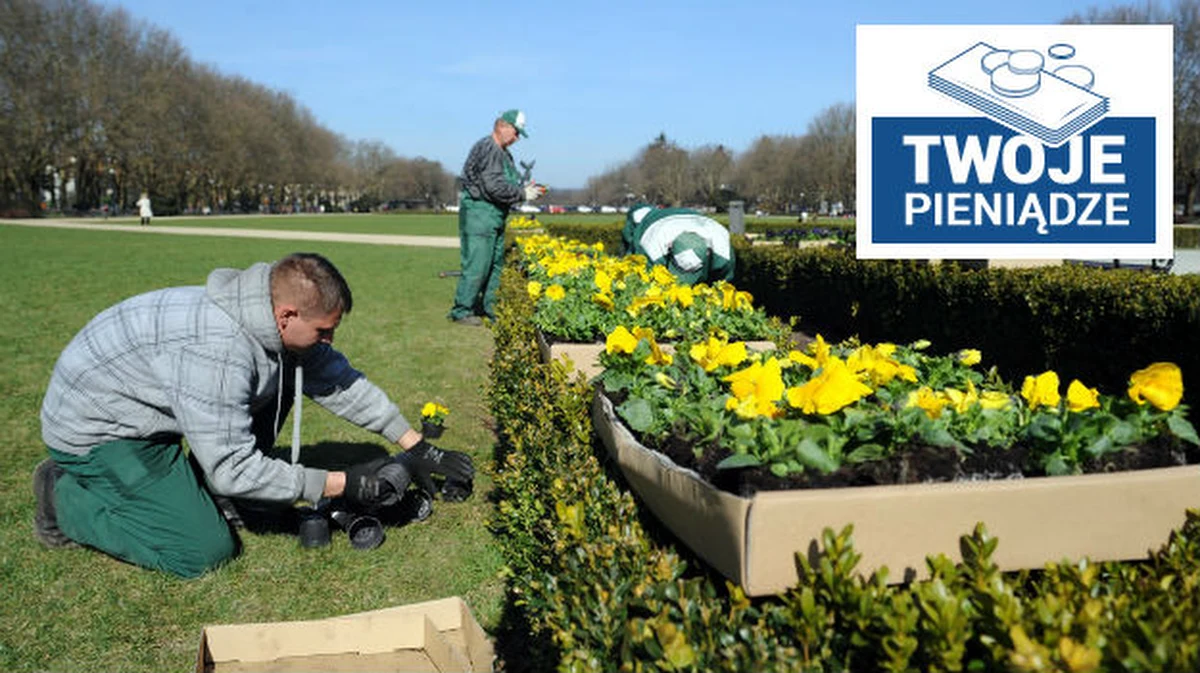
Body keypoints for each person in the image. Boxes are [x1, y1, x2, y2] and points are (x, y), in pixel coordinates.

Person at [33, 253, 475, 578]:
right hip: (101, 432)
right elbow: (231, 468)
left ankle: (192, 493)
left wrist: (418, 447)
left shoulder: (271, 325)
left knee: (283, 379)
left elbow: (342, 383)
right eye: (324, 330)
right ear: (286, 315)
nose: (330, 340)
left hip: (148, 410)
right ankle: (63, 497)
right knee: (201, 550)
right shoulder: (219, 350)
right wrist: (341, 483)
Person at [448, 109, 546, 326]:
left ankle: (490, 308)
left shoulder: (503, 153)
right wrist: (522, 194)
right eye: (516, 132)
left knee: (494, 265)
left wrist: (524, 188)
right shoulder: (489, 149)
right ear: (502, 126)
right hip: (480, 214)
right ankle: (462, 310)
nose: (517, 138)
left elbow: (504, 184)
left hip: (493, 215)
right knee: (478, 264)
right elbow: (493, 187)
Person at [621, 203, 736, 285]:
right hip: (653, 221)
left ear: (707, 252)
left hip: (695, 218)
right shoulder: (651, 248)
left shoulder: (723, 250)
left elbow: (723, 283)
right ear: (670, 247)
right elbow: (643, 280)